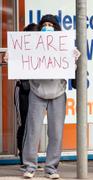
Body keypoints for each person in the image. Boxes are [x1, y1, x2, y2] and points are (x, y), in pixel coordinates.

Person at [22, 14, 80, 179]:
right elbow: (22, 61)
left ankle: (51, 168)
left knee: (56, 133)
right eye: (45, 24)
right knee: (33, 131)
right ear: (40, 28)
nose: (48, 27)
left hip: (58, 93)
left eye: (51, 24)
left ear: (56, 28)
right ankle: (30, 166)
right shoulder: (32, 46)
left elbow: (72, 69)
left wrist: (74, 60)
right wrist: (11, 58)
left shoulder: (65, 45)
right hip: (37, 91)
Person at [14, 23, 39, 169]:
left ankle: (31, 158)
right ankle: (24, 158)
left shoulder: (43, 50)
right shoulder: (19, 48)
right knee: (24, 123)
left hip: (36, 90)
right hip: (22, 89)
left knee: (33, 124)